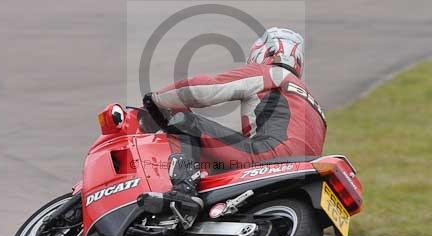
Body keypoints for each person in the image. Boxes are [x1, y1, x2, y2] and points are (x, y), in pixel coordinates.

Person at [138, 28, 327, 225]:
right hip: (299, 173)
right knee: (215, 152)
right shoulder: (316, 107)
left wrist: (156, 99)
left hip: (266, 157)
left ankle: (183, 194)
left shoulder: (272, 73)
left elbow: (204, 89)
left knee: (185, 123)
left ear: (263, 52)